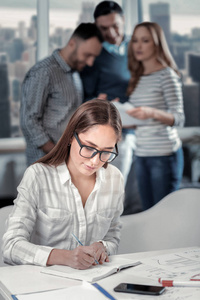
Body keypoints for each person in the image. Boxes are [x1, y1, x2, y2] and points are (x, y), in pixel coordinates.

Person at [2, 99, 124, 269]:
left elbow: (112, 238)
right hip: (43, 285)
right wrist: (64, 257)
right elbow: (10, 246)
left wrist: (102, 246)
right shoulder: (38, 176)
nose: (95, 161)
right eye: (89, 148)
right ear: (70, 137)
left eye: (107, 152)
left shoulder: (115, 178)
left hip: (91, 283)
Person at [81, 1, 141, 215]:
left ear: (123, 20)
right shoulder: (95, 57)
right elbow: (85, 99)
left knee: (137, 202)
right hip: (115, 139)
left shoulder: (137, 48)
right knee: (113, 201)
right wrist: (99, 103)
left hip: (144, 134)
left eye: (115, 26)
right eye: (104, 28)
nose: (111, 32)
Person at [20, 23, 103, 166]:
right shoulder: (43, 72)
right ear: (72, 43)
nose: (90, 62)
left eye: (93, 57)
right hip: (45, 164)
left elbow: (68, 113)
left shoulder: (75, 74)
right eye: (87, 55)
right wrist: (57, 154)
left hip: (67, 163)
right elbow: (29, 120)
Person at [126, 22, 185, 210]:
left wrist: (151, 112)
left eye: (145, 41)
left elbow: (179, 118)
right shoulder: (137, 76)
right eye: (135, 41)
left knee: (164, 216)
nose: (138, 46)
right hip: (142, 154)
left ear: (157, 44)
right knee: (148, 215)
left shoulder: (166, 75)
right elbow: (141, 120)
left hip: (164, 156)